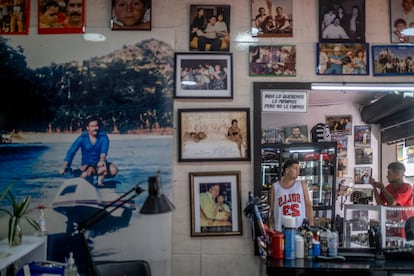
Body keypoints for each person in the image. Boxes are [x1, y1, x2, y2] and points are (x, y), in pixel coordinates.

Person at [59, 116, 118, 186]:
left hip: (100, 165)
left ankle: (100, 180)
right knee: (89, 171)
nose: (95, 128)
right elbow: (71, 152)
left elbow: (103, 152)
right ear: (88, 128)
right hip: (86, 165)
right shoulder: (82, 138)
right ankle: (81, 175)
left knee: (114, 170)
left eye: (96, 126)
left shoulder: (103, 137)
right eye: (92, 126)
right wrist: (64, 166)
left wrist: (102, 161)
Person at [269, 159, 314, 231]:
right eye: (295, 168)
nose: (298, 171)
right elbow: (271, 208)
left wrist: (311, 224)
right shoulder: (275, 187)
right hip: (280, 229)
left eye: (299, 169)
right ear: (287, 170)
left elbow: (308, 205)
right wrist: (270, 226)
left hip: (298, 228)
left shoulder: (302, 184)